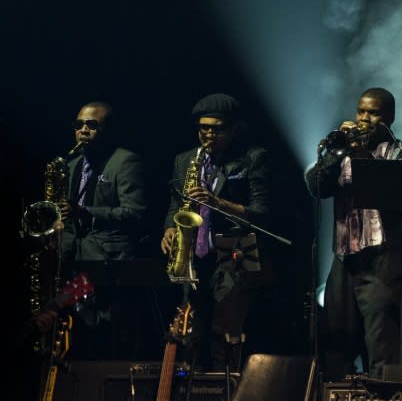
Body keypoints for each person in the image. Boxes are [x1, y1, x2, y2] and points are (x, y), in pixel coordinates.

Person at [305, 87, 402, 380]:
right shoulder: (341, 151)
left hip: (384, 260)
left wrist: (362, 154)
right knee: (335, 344)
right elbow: (316, 186)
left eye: (374, 113)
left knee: (382, 346)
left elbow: (389, 192)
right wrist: (333, 153)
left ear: (390, 117)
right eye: (361, 111)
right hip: (345, 259)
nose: (364, 118)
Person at [160, 93, 271, 372]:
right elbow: (176, 201)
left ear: (234, 129)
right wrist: (170, 228)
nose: (208, 134)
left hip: (237, 249)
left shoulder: (252, 158)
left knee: (226, 336)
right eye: (203, 128)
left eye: (217, 128)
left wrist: (218, 202)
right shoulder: (185, 159)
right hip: (195, 255)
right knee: (192, 336)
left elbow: (262, 212)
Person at [59, 101, 148, 261]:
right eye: (78, 125)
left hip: (108, 258)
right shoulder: (71, 164)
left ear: (108, 129)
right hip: (73, 255)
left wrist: (85, 211)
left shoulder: (125, 161)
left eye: (92, 125)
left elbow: (134, 213)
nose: (83, 131)